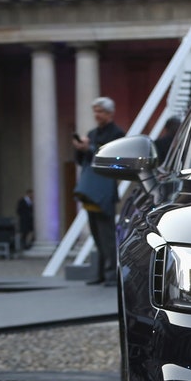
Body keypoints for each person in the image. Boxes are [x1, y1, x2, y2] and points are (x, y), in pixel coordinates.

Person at [73, 96, 126, 286]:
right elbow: (82, 161)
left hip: (104, 190)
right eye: (95, 111)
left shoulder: (117, 133)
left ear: (110, 113)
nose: (97, 115)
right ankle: (102, 273)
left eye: (100, 111)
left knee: (107, 235)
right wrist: (81, 149)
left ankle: (112, 273)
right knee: (96, 234)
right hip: (92, 191)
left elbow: (112, 159)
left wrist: (90, 148)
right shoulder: (92, 133)